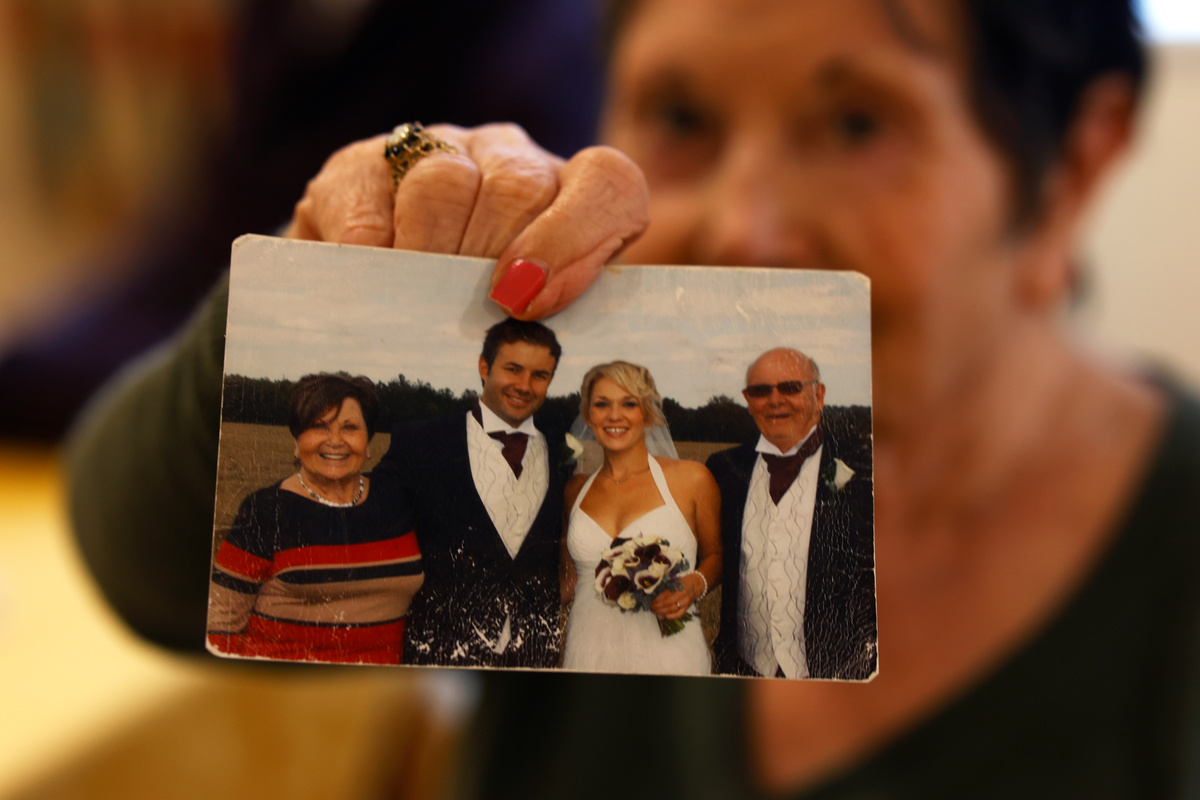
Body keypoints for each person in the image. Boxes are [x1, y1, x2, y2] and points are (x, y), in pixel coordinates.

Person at [65, 0, 1200, 796]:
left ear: (1072, 168)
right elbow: (147, 568)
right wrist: (320, 280)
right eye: (683, 119)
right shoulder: (569, 439)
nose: (742, 224)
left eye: (859, 124)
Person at [372, 318, 571, 668]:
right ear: (484, 367)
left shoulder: (563, 451)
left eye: (540, 375)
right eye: (513, 369)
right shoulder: (420, 442)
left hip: (535, 659)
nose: (524, 386)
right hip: (440, 657)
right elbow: (368, 520)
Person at [206, 372, 423, 665]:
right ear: (296, 439)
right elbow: (220, 622)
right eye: (319, 426)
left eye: (350, 427)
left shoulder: (397, 499)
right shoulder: (266, 509)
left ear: (368, 440)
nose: (335, 441)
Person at [707, 348, 875, 680]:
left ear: (819, 395)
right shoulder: (724, 468)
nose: (775, 400)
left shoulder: (866, 466)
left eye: (790, 387)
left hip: (836, 678)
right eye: (760, 391)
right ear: (748, 400)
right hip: (745, 670)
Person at [561, 360, 721, 675]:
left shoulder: (693, 479)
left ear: (648, 414)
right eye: (602, 404)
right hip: (588, 652)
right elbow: (568, 582)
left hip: (670, 655)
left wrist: (693, 585)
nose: (614, 415)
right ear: (588, 416)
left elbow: (716, 556)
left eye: (629, 404)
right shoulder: (575, 490)